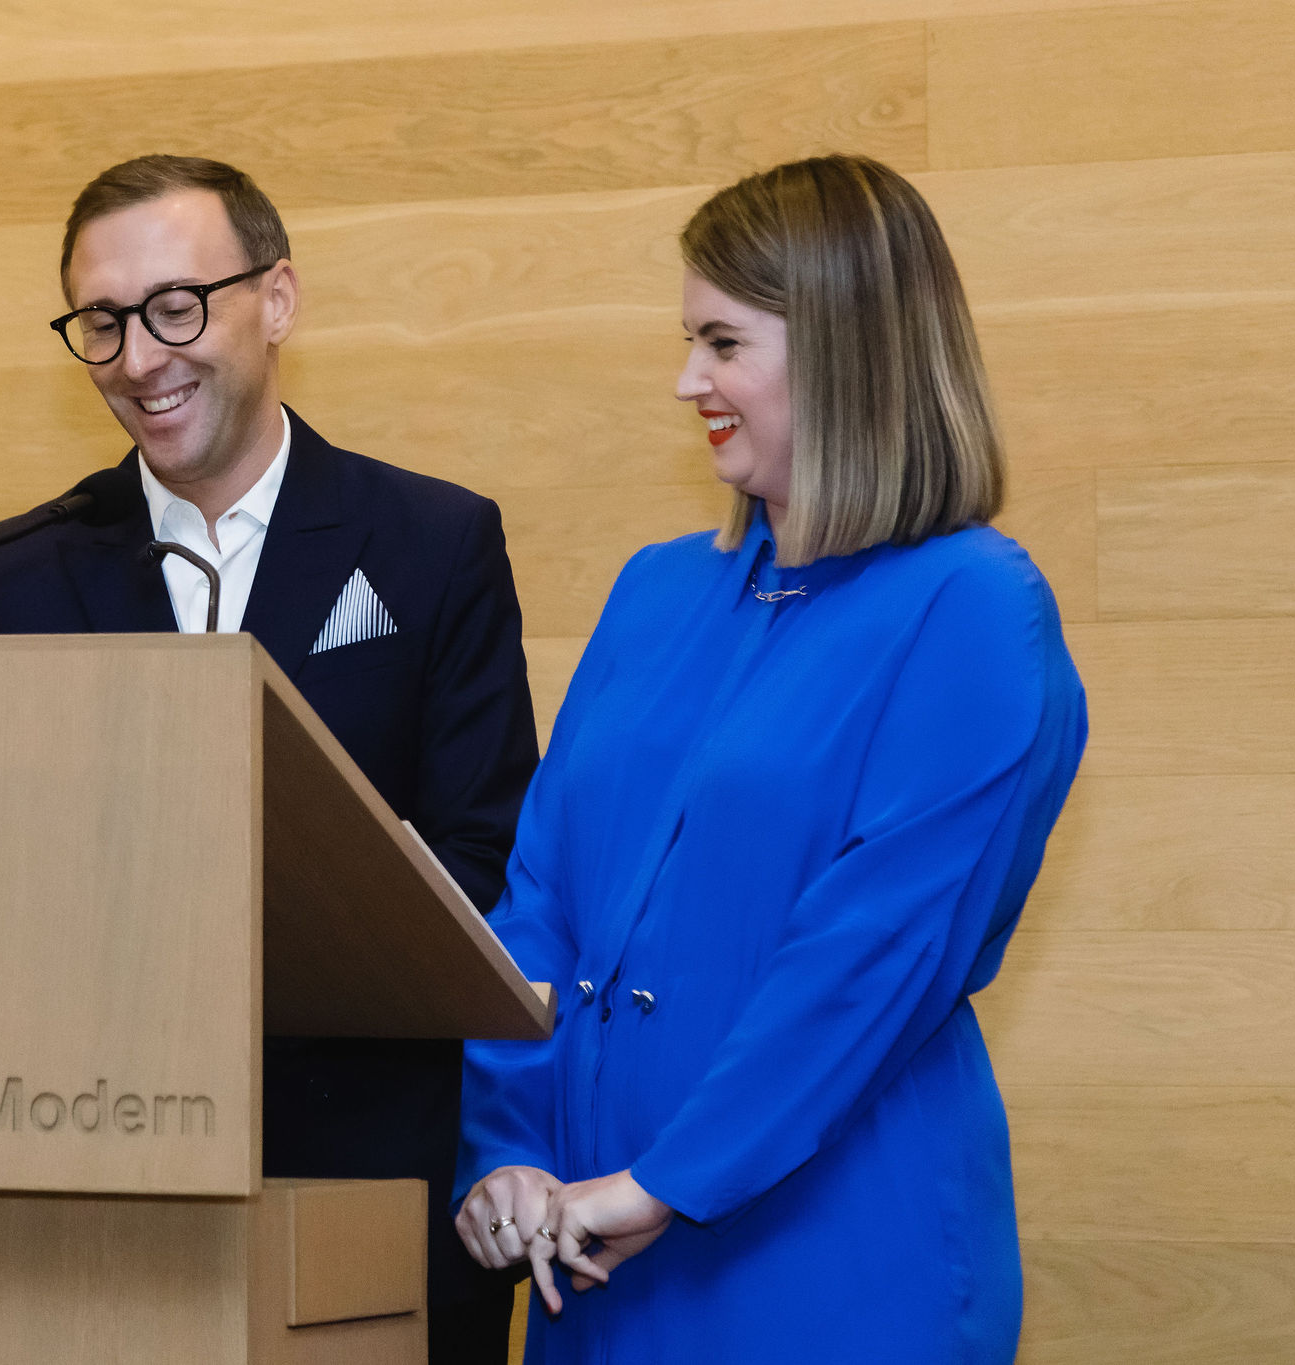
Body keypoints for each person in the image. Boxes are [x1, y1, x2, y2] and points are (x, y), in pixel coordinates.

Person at [452, 154, 1087, 1361]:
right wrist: (509, 1154)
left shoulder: (970, 606)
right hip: (588, 1257)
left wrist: (654, 1187)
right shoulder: (653, 591)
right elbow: (535, 904)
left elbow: (872, 957)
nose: (687, 380)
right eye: (688, 340)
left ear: (844, 349)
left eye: (722, 343)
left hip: (830, 1262)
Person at [0, 154, 538, 1361]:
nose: (137, 357)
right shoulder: (21, 571)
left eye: (176, 307)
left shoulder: (432, 541)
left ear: (274, 300)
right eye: (101, 322)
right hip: (98, 1198)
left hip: (369, 1183)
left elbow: (489, 856)